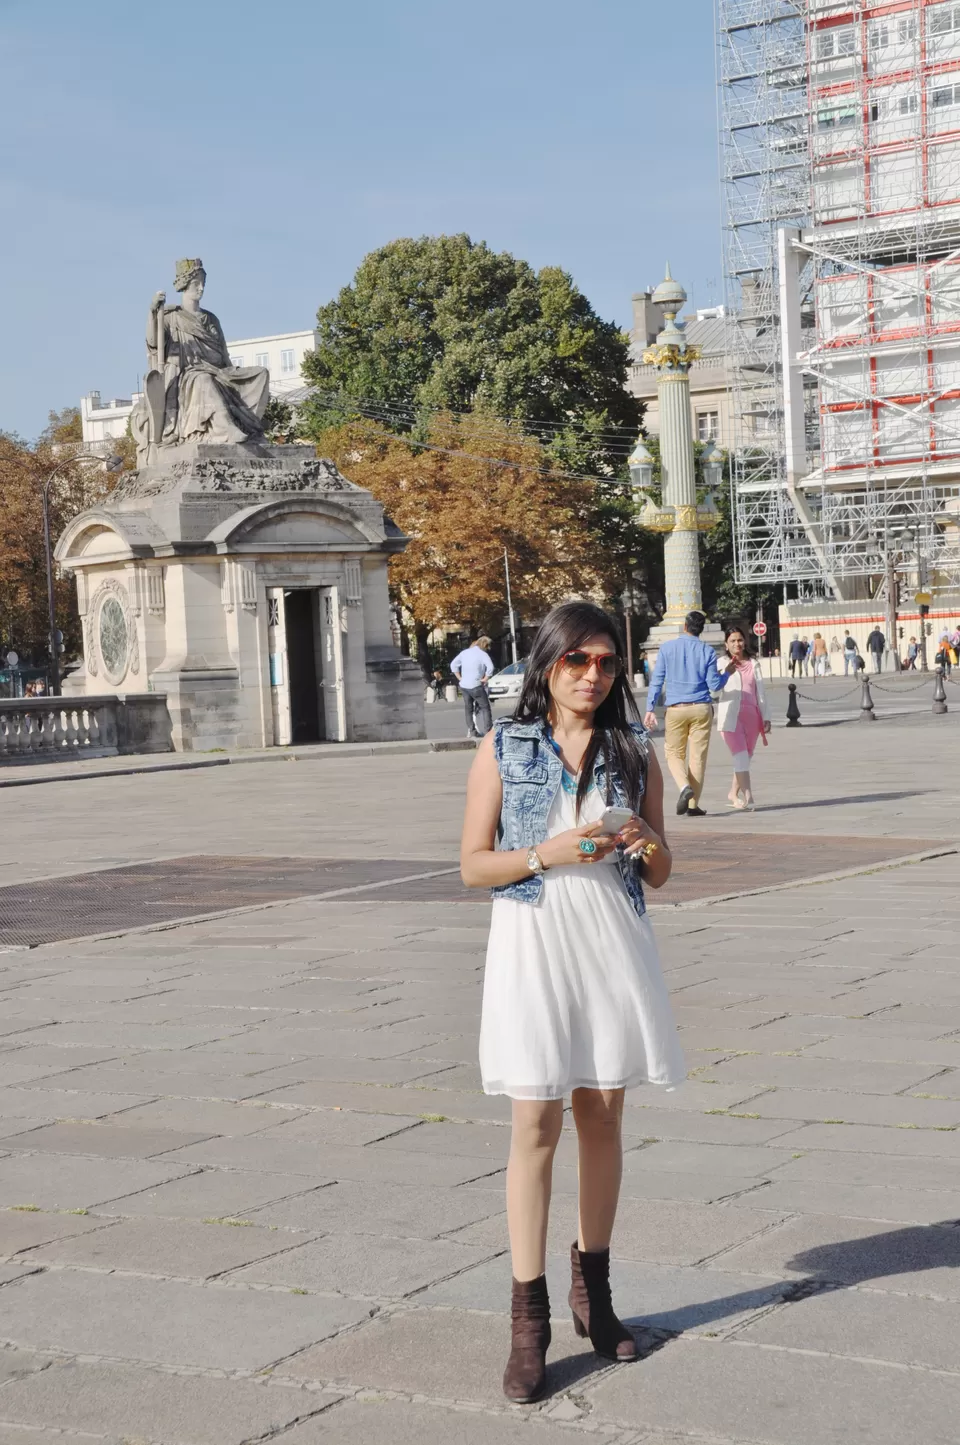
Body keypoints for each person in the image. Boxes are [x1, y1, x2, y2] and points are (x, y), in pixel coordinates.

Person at [460, 600, 684, 1404]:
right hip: (533, 939)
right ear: (546, 664)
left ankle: (596, 1293)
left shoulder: (634, 748)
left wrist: (644, 843)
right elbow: (472, 866)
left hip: (610, 942)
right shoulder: (504, 745)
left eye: (606, 662)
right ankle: (529, 1323)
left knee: (602, 1112)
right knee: (534, 1120)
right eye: (575, 661)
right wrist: (546, 853)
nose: (593, 675)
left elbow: (661, 870)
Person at [131, 259, 269, 457]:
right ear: (184, 285)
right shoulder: (171, 317)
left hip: (219, 371)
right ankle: (225, 429)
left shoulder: (211, 319)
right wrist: (153, 312)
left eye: (203, 283)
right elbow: (154, 342)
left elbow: (223, 354)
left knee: (261, 373)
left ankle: (251, 428)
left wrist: (232, 372)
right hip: (188, 375)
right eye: (196, 284)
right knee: (204, 380)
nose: (201, 288)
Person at [643, 611, 731, 817]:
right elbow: (714, 685)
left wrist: (650, 708)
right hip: (701, 707)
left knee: (674, 753)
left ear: (684, 626)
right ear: (700, 630)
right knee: (698, 757)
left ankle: (684, 787)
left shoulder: (667, 648)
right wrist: (726, 673)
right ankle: (693, 805)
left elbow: (657, 681)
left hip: (676, 708)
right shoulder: (707, 651)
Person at [717, 624, 772, 810]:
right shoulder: (721, 663)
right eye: (732, 641)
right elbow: (713, 688)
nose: (737, 644)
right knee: (740, 755)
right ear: (726, 644)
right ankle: (749, 797)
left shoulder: (753, 664)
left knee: (745, 758)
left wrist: (766, 716)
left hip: (752, 717)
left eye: (740, 640)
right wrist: (725, 672)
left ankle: (733, 793)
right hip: (730, 717)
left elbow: (761, 692)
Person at [452, 636, 494, 738]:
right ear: (485, 645)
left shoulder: (464, 653)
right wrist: (486, 678)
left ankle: (472, 730)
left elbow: (453, 665)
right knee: (485, 707)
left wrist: (460, 678)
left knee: (468, 709)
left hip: (464, 686)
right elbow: (491, 667)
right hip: (476, 685)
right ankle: (488, 730)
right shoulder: (483, 654)